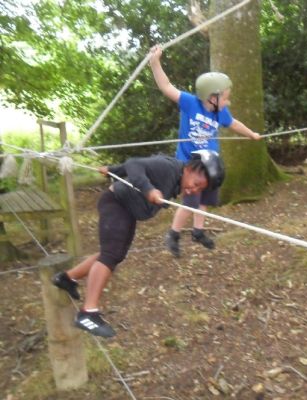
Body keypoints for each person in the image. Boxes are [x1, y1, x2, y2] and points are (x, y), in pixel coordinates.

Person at [52, 150, 225, 338]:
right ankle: (88, 313)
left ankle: (67, 278)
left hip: (127, 209)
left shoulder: (176, 176)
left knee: (115, 255)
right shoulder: (168, 168)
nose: (193, 190)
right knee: (110, 255)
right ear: (191, 168)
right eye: (196, 184)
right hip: (116, 203)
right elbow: (134, 164)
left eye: (199, 190)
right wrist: (149, 189)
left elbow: (137, 165)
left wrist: (113, 170)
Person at [149, 44, 261, 258]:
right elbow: (166, 86)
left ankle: (198, 232)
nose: (228, 101)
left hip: (210, 163)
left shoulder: (221, 112)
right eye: (225, 97)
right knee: (190, 202)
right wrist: (155, 62)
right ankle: (173, 234)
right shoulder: (190, 103)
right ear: (212, 97)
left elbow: (234, 124)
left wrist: (251, 134)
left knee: (205, 200)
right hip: (190, 164)